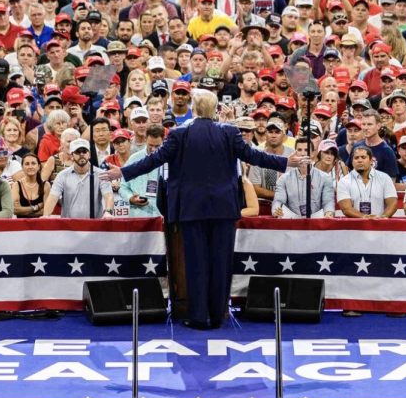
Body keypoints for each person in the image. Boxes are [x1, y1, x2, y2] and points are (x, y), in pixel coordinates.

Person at [103, 90, 304, 330]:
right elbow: (253, 155)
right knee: (221, 262)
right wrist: (285, 162)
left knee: (196, 263)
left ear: (194, 109)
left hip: (191, 209)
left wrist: (123, 171)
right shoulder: (229, 132)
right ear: (215, 109)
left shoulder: (179, 134)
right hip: (224, 209)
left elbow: (153, 160)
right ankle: (218, 315)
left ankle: (198, 316)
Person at [46, 138, 114, 218]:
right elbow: (53, 197)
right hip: (69, 227)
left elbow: (108, 195)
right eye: (78, 152)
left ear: (89, 154)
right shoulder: (62, 175)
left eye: (84, 151)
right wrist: (46, 216)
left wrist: (108, 212)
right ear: (71, 156)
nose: (81, 154)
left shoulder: (101, 174)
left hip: (94, 226)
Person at [272, 138, 335, 218]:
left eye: (306, 150)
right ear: (295, 152)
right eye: (299, 150)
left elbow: (328, 201)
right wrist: (276, 210)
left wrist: (328, 212)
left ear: (312, 154)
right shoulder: (284, 178)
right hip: (292, 222)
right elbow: (278, 200)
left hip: (316, 222)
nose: (302, 153)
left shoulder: (325, 178)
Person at [337, 145, 398, 218]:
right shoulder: (344, 182)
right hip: (354, 228)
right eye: (356, 158)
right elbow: (346, 209)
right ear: (352, 161)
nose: (359, 160)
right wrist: (365, 217)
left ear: (371, 161)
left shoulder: (385, 178)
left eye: (363, 157)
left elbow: (392, 204)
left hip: (380, 226)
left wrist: (382, 218)